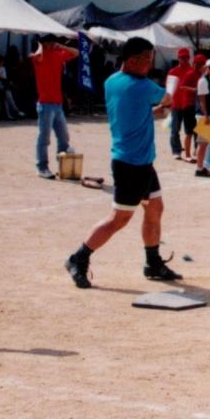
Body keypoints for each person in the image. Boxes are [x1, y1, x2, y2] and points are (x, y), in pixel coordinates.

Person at [65, 37, 180, 289]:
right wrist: (165, 102)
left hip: (140, 162)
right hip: (131, 164)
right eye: (146, 60)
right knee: (119, 219)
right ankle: (78, 257)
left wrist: (152, 113)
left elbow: (132, 111)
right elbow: (168, 98)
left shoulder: (112, 81)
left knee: (155, 209)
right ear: (131, 60)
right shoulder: (142, 86)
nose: (150, 65)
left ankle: (152, 262)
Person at [31, 35, 78, 179]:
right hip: (45, 104)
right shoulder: (36, 56)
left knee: (64, 137)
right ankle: (42, 167)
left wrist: (61, 46)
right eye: (48, 43)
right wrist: (40, 44)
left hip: (57, 104)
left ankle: (62, 165)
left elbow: (76, 53)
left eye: (52, 43)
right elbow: (38, 55)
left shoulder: (58, 54)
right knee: (44, 138)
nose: (51, 46)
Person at [166, 48, 198, 162]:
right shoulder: (172, 72)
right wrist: (168, 103)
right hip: (176, 103)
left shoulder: (193, 70)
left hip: (189, 104)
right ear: (178, 58)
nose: (184, 59)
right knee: (175, 129)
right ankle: (176, 151)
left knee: (192, 129)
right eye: (182, 57)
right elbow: (169, 89)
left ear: (189, 58)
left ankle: (196, 150)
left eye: (186, 57)